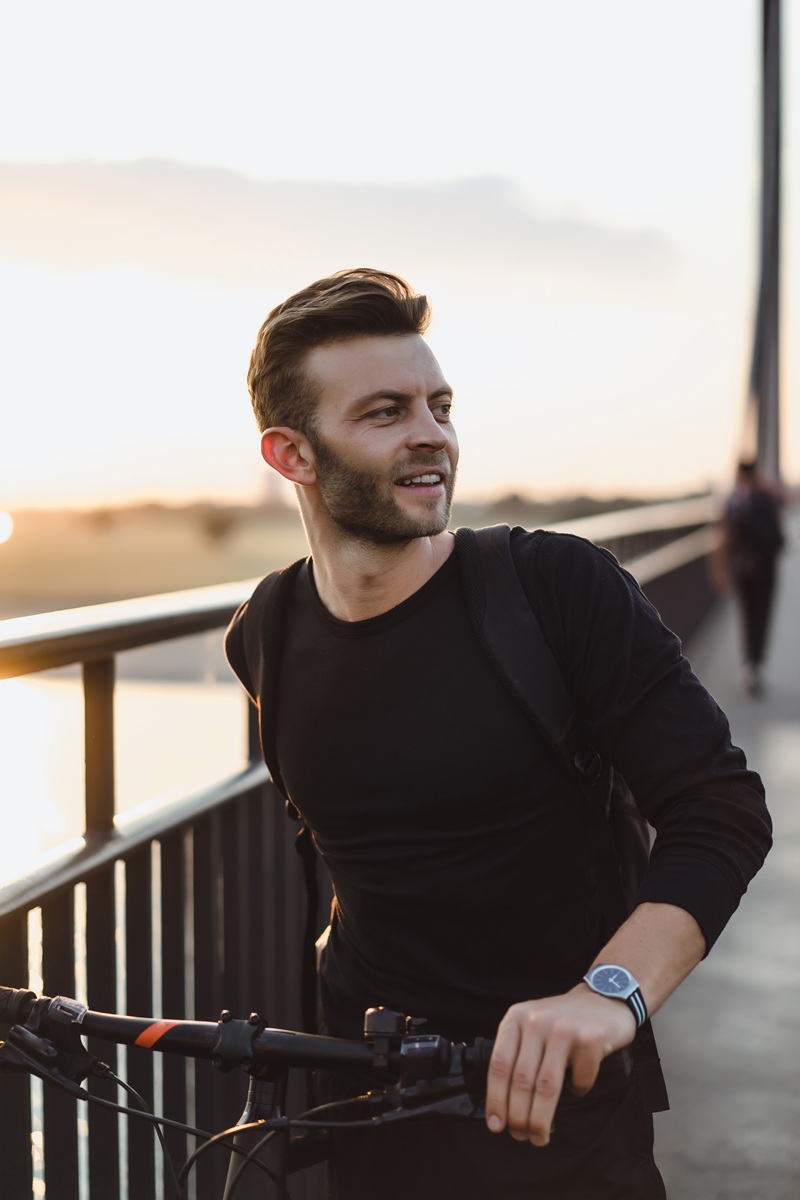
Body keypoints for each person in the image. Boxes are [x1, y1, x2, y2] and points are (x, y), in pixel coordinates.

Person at [224, 269, 772, 1199]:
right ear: (293, 456)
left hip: (559, 1115)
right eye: (386, 412)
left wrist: (607, 1000)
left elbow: (720, 810)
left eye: (438, 405)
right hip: (368, 1114)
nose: (432, 433)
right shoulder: (266, 633)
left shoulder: (556, 589)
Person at [722, 459, 785, 696]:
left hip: (741, 568)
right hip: (765, 568)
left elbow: (725, 532)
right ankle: (756, 664)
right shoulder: (766, 496)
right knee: (762, 614)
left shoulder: (734, 499)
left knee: (747, 615)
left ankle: (749, 664)